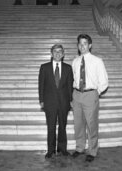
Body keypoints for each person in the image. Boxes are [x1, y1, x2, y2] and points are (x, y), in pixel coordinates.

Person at [71, 34, 108, 162]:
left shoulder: (97, 61)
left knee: (91, 124)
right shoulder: (75, 61)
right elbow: (74, 79)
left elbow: (104, 81)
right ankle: (80, 147)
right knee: (78, 124)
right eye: (80, 43)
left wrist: (95, 93)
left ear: (90, 45)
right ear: (78, 46)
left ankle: (92, 150)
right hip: (76, 94)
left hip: (90, 94)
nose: (82, 46)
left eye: (85, 43)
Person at [38, 44, 73, 159]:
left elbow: (69, 86)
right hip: (49, 102)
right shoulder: (44, 67)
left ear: (63, 54)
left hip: (64, 102)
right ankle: (51, 150)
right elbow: (41, 85)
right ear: (51, 53)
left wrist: (71, 100)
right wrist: (41, 100)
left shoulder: (68, 68)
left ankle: (62, 149)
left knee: (62, 126)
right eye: (55, 51)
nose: (57, 53)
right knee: (51, 126)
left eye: (60, 51)